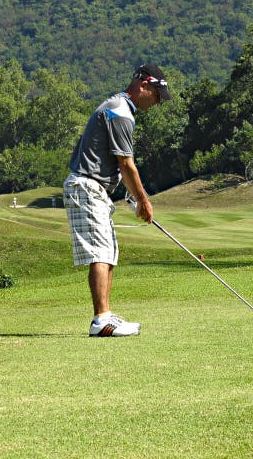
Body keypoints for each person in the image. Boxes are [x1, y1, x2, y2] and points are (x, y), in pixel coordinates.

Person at [63, 65, 171, 337]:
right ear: (143, 85)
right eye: (157, 95)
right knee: (100, 251)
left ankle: (106, 314)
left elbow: (109, 163)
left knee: (108, 251)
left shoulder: (119, 107)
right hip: (87, 187)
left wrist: (128, 196)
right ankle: (100, 320)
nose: (157, 102)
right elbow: (126, 164)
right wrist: (143, 201)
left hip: (94, 187)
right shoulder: (121, 113)